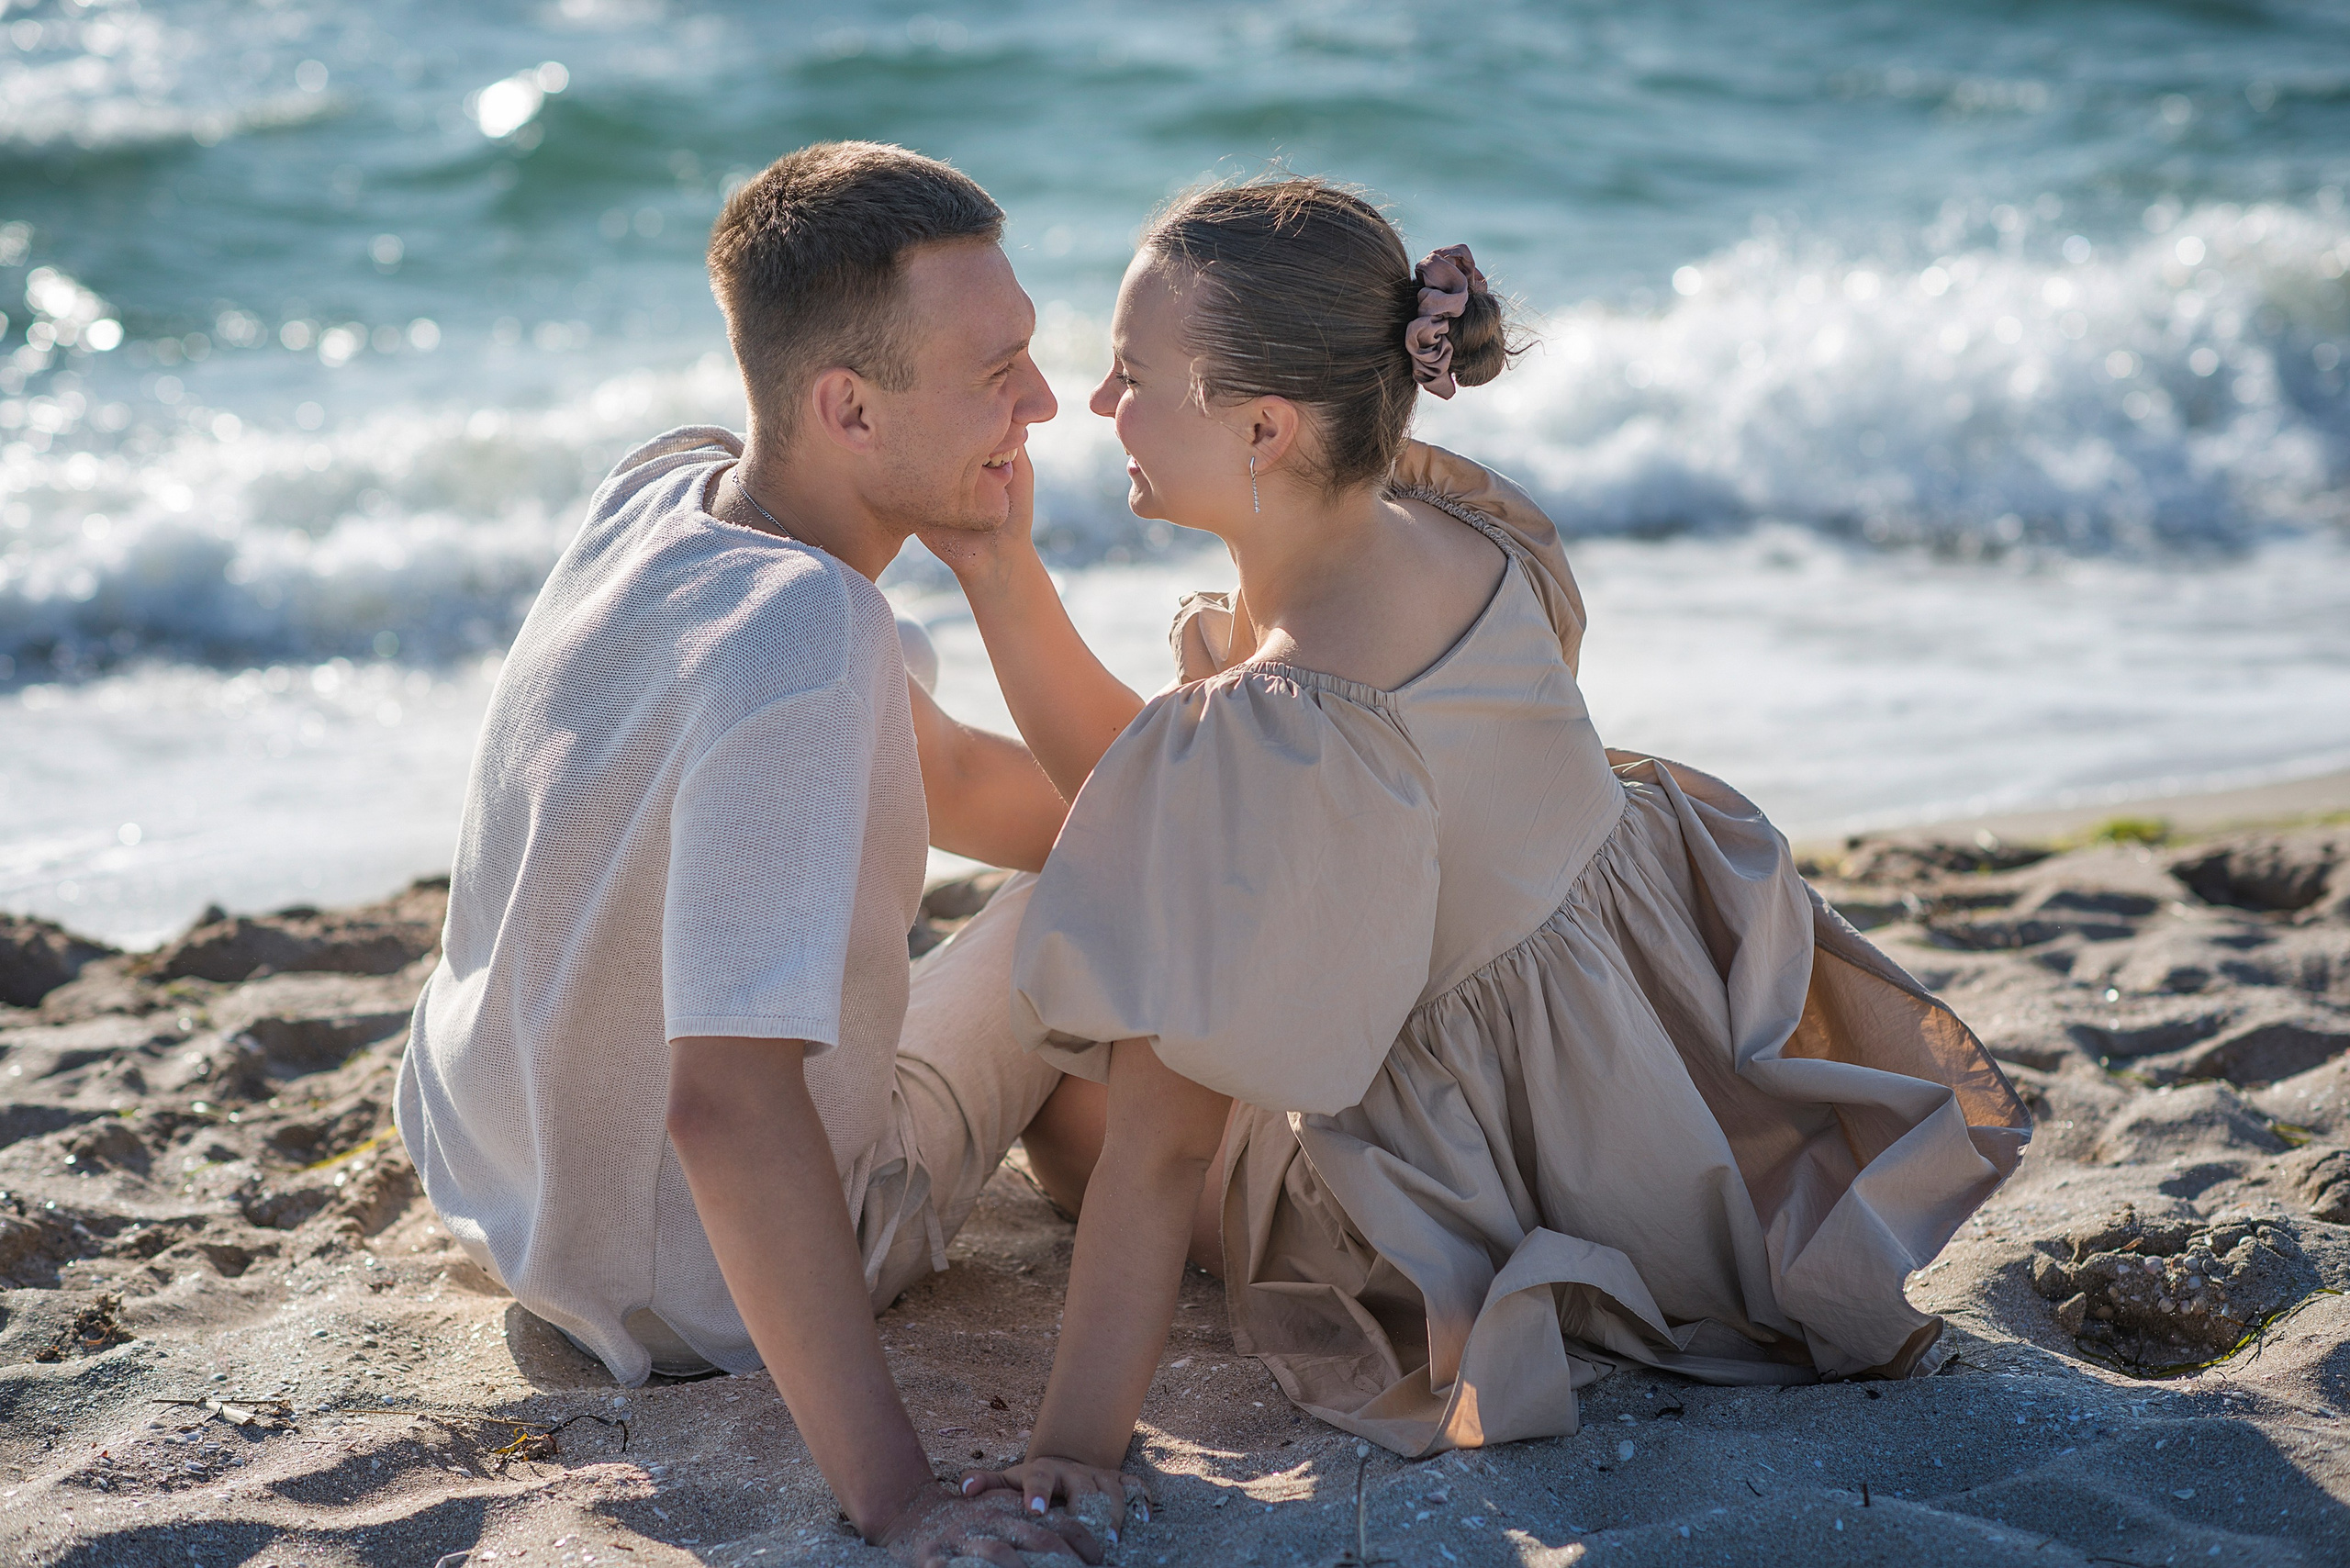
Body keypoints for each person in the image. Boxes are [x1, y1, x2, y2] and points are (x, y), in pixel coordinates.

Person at [923, 178, 2031, 1510]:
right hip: (1660, 1096)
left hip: (1493, 1176)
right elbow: (1190, 797)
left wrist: (1067, 1459)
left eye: (1131, 376)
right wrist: (1001, 570)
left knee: (1076, 1114)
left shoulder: (1279, 724)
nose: (1097, 408)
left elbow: (1164, 1143)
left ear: (1266, 426)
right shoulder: (1457, 526)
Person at [393, 141, 1110, 1566]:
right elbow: (726, 1104)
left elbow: (958, 775)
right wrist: (896, 1499)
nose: (1044, 401)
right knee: (1103, 906)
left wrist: (995, 565)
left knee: (1078, 842)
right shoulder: (808, 640)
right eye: (998, 370)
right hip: (693, 1296)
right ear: (846, 405)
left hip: (505, 1185)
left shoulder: (664, 494)